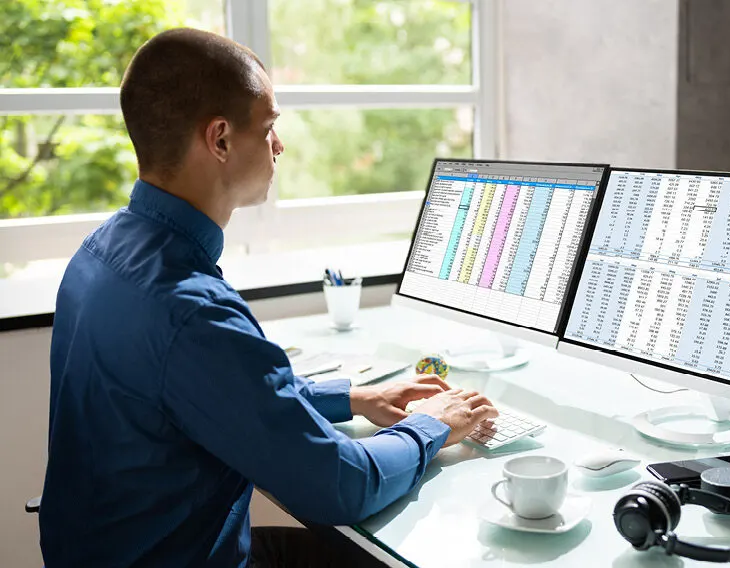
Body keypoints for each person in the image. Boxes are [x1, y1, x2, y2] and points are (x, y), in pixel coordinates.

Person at [40, 27, 498, 567]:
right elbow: (342, 485)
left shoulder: (101, 252)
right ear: (220, 140)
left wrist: (352, 398)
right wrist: (434, 423)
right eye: (268, 127)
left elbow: (221, 390)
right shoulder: (191, 310)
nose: (278, 145)